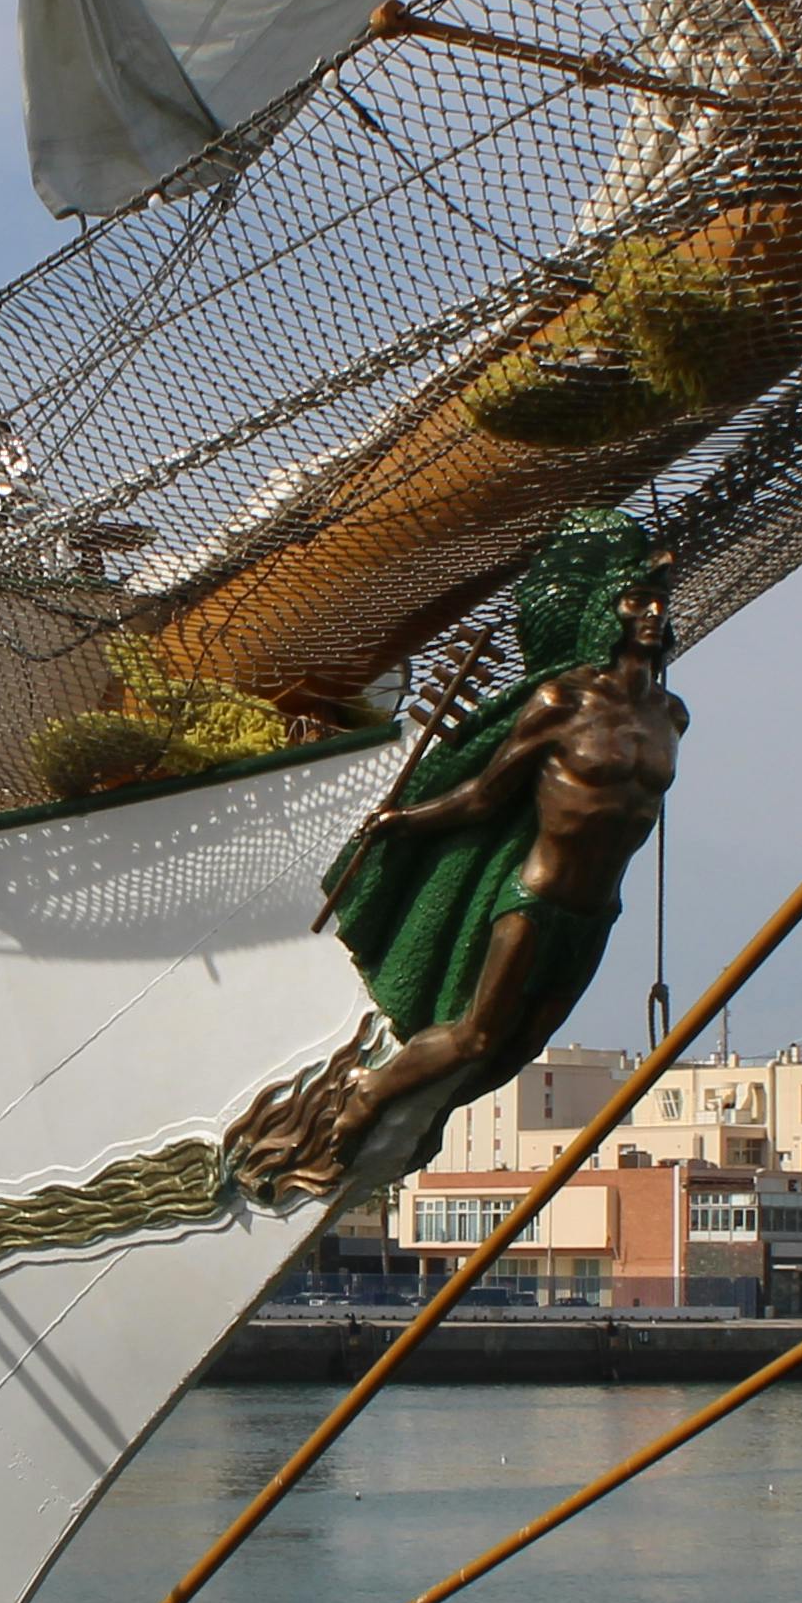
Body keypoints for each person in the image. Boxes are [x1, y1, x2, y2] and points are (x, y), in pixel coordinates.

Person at [245, 513, 688, 1204]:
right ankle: (354, 1115)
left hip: (597, 912)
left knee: (516, 1052)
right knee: (478, 1036)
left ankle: (415, 1117)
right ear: (605, 607)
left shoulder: (671, 714)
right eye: (636, 597)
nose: (654, 613)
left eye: (660, 597)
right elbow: (485, 794)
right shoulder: (561, 702)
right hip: (536, 898)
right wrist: (403, 820)